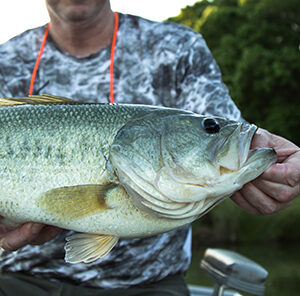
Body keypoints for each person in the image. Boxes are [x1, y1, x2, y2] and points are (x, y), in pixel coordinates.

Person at [0, 0, 299, 295]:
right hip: (18, 279)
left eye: (208, 127)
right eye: (210, 127)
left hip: (151, 285)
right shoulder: (6, 58)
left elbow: (232, 129)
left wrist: (278, 162)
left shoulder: (178, 47)